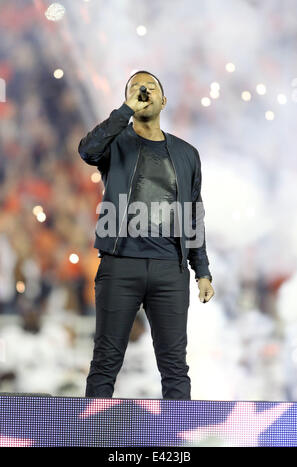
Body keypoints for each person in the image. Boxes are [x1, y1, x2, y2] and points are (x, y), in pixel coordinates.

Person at [78, 70, 215, 400]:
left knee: (174, 366)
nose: (144, 91)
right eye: (136, 88)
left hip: (171, 269)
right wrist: (124, 111)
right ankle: (91, 438)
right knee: (106, 362)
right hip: (120, 264)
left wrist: (203, 271)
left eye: (150, 87)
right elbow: (87, 150)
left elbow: (193, 214)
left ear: (163, 100)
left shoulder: (186, 154)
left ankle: (176, 446)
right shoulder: (115, 144)